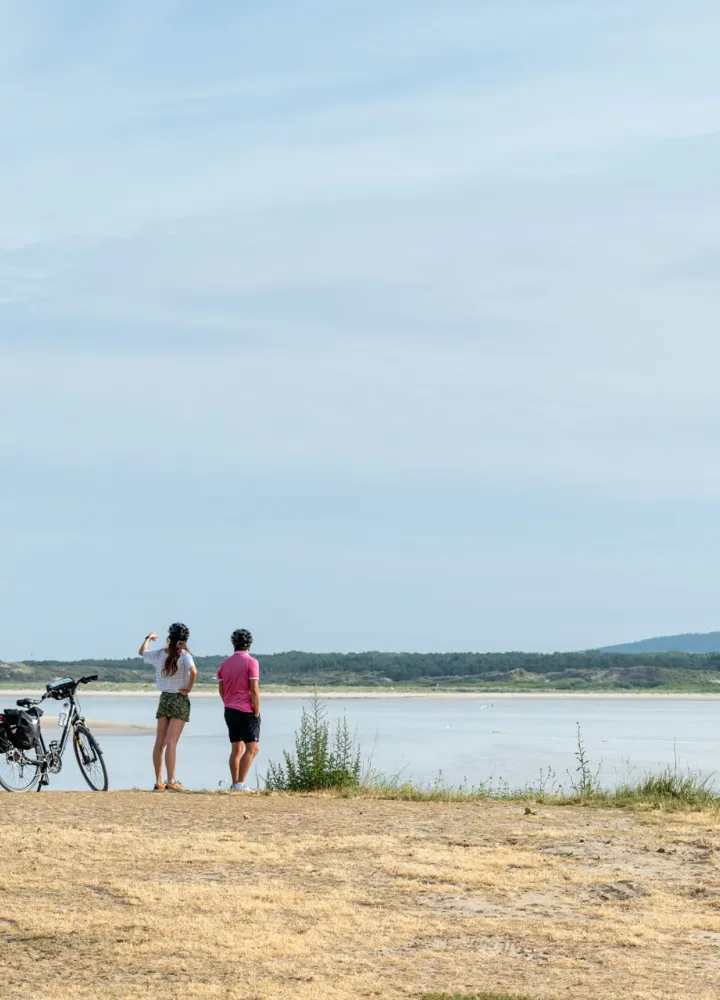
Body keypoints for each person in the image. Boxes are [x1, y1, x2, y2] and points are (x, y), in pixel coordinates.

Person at [139, 623, 197, 792]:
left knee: (160, 741)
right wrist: (189, 687)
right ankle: (172, 780)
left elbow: (142, 652)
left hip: (164, 698)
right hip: (179, 698)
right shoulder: (185, 655)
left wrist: (148, 638)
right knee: (172, 742)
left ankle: (159, 781)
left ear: (169, 638)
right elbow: (194, 672)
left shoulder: (159, 654)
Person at [217, 628, 260, 792]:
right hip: (246, 710)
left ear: (233, 644)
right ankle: (241, 783)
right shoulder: (251, 662)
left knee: (236, 749)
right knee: (253, 748)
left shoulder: (224, 664)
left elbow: (221, 689)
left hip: (229, 709)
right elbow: (254, 689)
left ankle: (235, 784)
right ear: (249, 644)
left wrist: (227, 702)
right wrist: (256, 710)